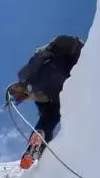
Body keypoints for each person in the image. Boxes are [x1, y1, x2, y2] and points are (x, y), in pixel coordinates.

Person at [7, 35, 84, 164]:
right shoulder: (69, 47)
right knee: (50, 113)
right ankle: (39, 139)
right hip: (60, 80)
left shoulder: (30, 72)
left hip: (50, 84)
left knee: (48, 116)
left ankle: (38, 140)